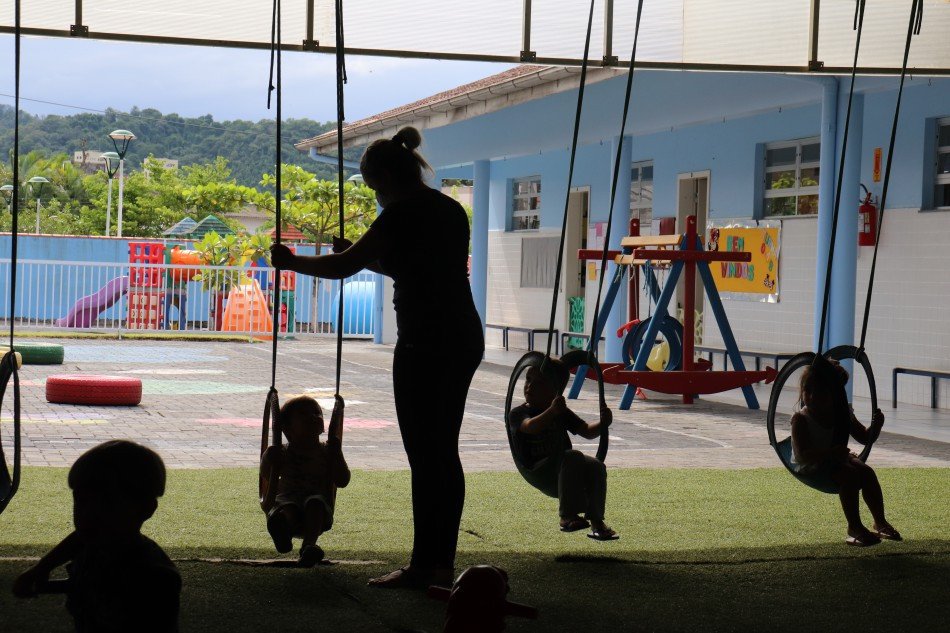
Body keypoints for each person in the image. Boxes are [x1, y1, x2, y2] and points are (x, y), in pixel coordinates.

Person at [271, 126, 484, 589]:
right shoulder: (449, 209)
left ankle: (424, 566)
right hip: (463, 336)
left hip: (424, 343)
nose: (377, 199)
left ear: (385, 177)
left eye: (374, 189)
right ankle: (437, 566)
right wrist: (365, 257)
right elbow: (413, 265)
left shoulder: (399, 214)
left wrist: (291, 262)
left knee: (427, 458)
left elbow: (340, 267)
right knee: (441, 455)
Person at [12, 440, 181, 633]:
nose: (88, 514)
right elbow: (79, 540)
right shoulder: (98, 542)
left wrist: (41, 571)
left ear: (146, 509)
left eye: (107, 503)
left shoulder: (155, 579)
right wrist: (41, 569)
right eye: (81, 500)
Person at [790, 357, 901, 546]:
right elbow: (802, 455)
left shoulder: (843, 413)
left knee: (866, 472)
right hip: (813, 464)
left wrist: (876, 427)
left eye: (820, 392)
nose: (810, 397)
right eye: (807, 390)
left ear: (836, 395)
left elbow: (864, 438)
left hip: (836, 458)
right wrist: (831, 453)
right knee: (850, 475)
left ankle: (880, 522)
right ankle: (854, 526)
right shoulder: (801, 419)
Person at [508, 358, 617, 540]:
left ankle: (597, 522)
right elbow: (530, 427)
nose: (530, 386)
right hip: (540, 469)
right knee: (573, 456)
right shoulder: (519, 413)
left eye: (539, 382)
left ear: (555, 391)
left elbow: (587, 432)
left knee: (596, 466)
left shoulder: (561, 412)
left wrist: (604, 423)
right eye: (528, 379)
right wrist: (551, 411)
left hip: (564, 467)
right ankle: (567, 516)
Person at [261, 394, 350, 567]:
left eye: (317, 413)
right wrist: (268, 458)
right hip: (287, 499)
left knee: (315, 504)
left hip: (318, 502)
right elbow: (266, 476)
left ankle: (309, 546)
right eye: (303, 414)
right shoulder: (283, 452)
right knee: (287, 509)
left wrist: (337, 454)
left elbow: (342, 480)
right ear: (286, 428)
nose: (314, 417)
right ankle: (282, 531)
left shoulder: (327, 452)